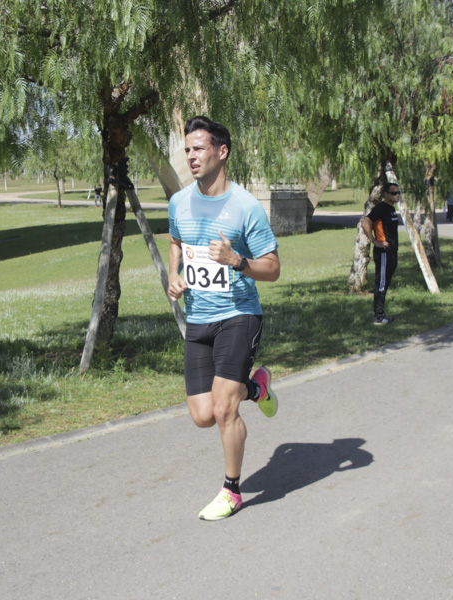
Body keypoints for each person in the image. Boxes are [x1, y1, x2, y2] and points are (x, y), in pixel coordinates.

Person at [166, 115, 281, 521]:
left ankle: (231, 490)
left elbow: (273, 268)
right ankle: (257, 388)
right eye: (188, 151)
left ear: (221, 151)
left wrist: (238, 261)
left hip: (239, 315)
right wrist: (174, 276)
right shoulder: (179, 202)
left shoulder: (246, 207)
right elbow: (176, 243)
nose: (191, 157)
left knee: (222, 411)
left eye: (199, 149)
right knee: (202, 415)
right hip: (199, 317)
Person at [359, 183, 402, 325]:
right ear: (386, 195)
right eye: (394, 193)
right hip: (383, 253)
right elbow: (365, 222)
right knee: (381, 284)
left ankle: (381, 313)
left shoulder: (391, 209)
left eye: (398, 192)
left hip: (392, 252)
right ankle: (378, 316)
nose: (397, 195)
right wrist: (374, 241)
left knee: (386, 282)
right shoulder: (380, 208)